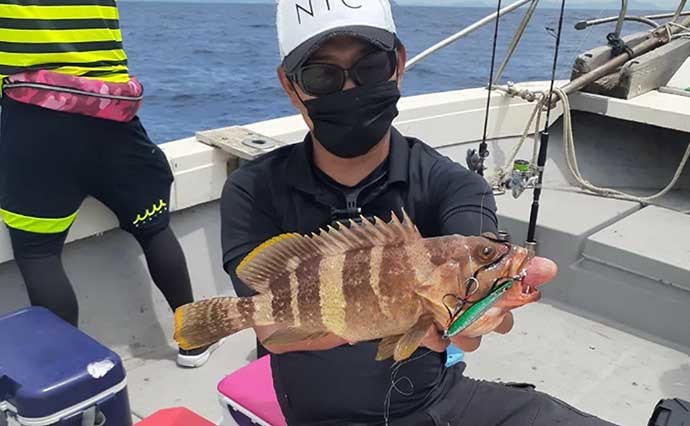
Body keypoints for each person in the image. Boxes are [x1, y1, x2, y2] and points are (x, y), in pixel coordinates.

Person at [220, 1, 688, 425]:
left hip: (432, 403)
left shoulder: (454, 184)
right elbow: (269, 325)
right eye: (322, 77)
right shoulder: (252, 188)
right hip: (311, 417)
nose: (350, 88)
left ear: (398, 65)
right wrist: (378, 307)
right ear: (289, 85)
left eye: (370, 66)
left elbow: (471, 265)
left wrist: (479, 310)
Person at [0, 0, 221, 368]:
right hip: (110, 113)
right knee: (153, 228)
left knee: (39, 252)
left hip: (32, 125)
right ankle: (194, 341)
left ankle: (69, 372)